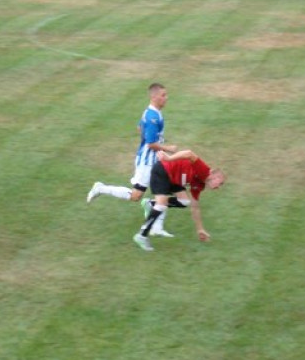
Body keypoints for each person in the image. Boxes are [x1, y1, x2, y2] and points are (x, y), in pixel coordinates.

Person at [87, 83, 179, 237]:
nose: (166, 98)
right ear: (154, 97)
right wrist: (168, 148)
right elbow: (150, 144)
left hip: (153, 159)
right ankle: (100, 188)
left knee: (164, 189)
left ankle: (157, 225)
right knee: (136, 196)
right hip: (147, 162)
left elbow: (139, 128)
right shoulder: (152, 117)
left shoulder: (152, 112)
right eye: (163, 95)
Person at [132, 149, 226, 252]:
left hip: (173, 179)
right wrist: (169, 158)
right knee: (161, 205)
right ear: (214, 175)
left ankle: (151, 204)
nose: (218, 187)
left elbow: (195, 207)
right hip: (163, 170)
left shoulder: (200, 185)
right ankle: (141, 235)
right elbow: (189, 153)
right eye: (220, 183)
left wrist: (200, 229)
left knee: (184, 201)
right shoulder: (204, 171)